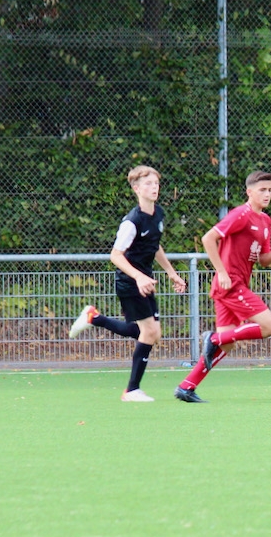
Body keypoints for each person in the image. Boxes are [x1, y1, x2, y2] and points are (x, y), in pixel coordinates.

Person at [69, 165, 188, 402]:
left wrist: (171, 273)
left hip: (144, 280)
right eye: (148, 184)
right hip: (129, 282)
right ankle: (132, 390)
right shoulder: (131, 222)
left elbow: (155, 246)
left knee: (152, 333)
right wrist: (138, 277)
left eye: (156, 183)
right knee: (149, 332)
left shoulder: (158, 214)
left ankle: (94, 318)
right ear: (136, 189)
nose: (154, 188)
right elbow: (115, 255)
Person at [173, 170, 271, 403]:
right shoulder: (241, 214)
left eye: (270, 190)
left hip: (232, 285)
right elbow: (208, 238)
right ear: (249, 192)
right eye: (262, 190)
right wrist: (221, 271)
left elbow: (263, 260)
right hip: (231, 284)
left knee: (227, 345)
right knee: (269, 325)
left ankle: (186, 387)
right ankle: (212, 339)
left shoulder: (265, 221)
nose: (267, 194)